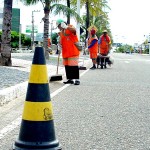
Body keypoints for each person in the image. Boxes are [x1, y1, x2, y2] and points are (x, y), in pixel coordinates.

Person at [56, 19, 80, 85]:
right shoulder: (61, 32)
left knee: (74, 66)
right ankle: (70, 79)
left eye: (59, 26)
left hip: (73, 51)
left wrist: (66, 27)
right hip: (65, 52)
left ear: (62, 24)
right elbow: (61, 41)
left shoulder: (70, 27)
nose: (58, 28)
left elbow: (74, 31)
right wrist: (59, 46)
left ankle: (77, 79)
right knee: (67, 66)